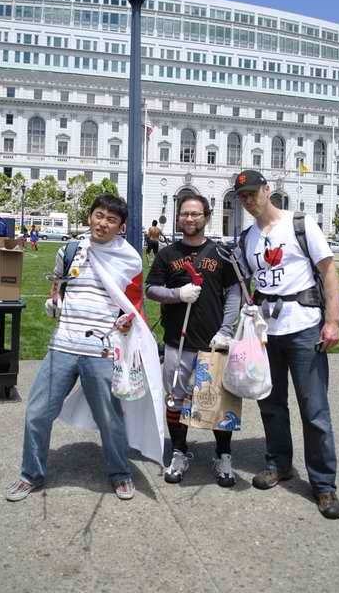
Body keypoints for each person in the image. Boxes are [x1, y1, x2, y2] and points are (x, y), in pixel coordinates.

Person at [6, 194, 164, 503]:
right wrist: (53, 302)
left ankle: (120, 473)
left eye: (111, 219)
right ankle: (30, 474)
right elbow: (57, 287)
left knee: (110, 418)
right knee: (37, 412)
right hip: (63, 346)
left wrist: (127, 322)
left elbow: (133, 305)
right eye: (99, 215)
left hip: (101, 350)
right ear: (90, 216)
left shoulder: (130, 259)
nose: (103, 223)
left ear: (121, 226)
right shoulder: (69, 250)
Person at [235, 169, 339, 519]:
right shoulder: (247, 238)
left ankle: (323, 484)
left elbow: (329, 271)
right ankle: (279, 464)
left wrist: (332, 321)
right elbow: (240, 282)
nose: (248, 200)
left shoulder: (299, 223)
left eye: (253, 193)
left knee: (314, 410)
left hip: (304, 327)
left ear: (267, 190)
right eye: (243, 196)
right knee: (271, 404)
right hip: (266, 332)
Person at [145, 193, 241, 487]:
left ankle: (223, 454)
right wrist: (177, 294)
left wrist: (226, 330)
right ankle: (179, 451)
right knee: (175, 400)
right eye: (185, 213)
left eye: (195, 214)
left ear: (206, 217)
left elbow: (234, 293)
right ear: (178, 218)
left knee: (219, 403)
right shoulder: (167, 254)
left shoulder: (221, 253)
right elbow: (151, 289)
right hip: (178, 341)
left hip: (212, 343)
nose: (189, 218)